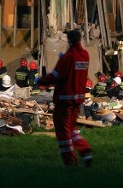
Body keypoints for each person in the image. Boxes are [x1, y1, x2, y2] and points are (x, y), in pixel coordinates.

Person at [38, 29, 92, 167]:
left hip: (64, 100)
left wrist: (40, 81)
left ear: (69, 40)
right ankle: (85, 150)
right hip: (78, 100)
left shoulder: (68, 57)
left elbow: (55, 76)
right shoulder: (85, 55)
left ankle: (70, 162)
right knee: (72, 128)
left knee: (63, 132)